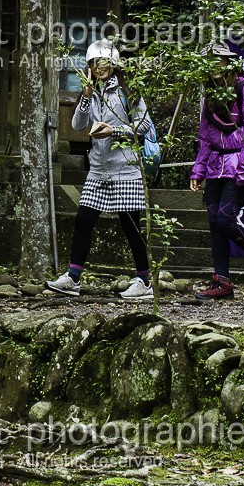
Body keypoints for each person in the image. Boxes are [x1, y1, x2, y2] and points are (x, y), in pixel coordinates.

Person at [45, 39, 158, 301]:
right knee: (83, 221)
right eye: (95, 63)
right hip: (98, 169)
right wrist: (85, 96)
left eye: (105, 61)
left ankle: (144, 281)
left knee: (130, 224)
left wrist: (114, 130)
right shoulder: (91, 92)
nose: (100, 67)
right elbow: (77, 125)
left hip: (125, 168)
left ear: (114, 62)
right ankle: (73, 278)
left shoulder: (128, 90)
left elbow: (143, 126)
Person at [190, 44, 244, 300]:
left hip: (239, 163)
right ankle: (223, 281)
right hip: (215, 166)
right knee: (214, 223)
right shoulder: (210, 96)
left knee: (226, 220)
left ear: (229, 63)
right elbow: (205, 136)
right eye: (210, 62)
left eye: (220, 60)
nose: (215, 66)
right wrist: (198, 171)